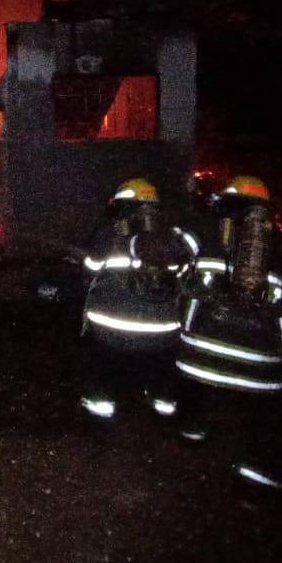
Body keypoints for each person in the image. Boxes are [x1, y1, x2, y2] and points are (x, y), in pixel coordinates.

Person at [176, 175, 282, 491]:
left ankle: (193, 427)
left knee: (193, 377)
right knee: (275, 407)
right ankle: (258, 464)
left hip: (200, 356)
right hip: (262, 367)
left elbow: (176, 273)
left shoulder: (203, 233)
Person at [80, 178, 199, 421]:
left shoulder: (110, 232)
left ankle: (101, 403)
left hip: (111, 327)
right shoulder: (173, 237)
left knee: (101, 359)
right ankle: (163, 401)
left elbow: (90, 268)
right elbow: (186, 274)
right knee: (160, 364)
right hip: (163, 331)